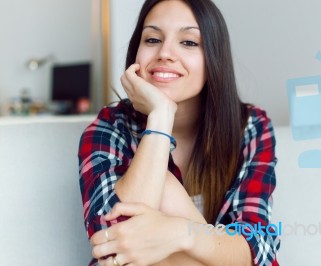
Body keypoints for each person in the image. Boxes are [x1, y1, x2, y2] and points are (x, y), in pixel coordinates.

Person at [78, 0, 280, 265]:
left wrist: (180, 234)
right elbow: (114, 243)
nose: (165, 53)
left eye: (188, 42)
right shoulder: (110, 127)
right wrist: (160, 117)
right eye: (152, 39)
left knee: (166, 191)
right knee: (164, 187)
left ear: (214, 58)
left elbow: (257, 249)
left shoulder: (249, 126)